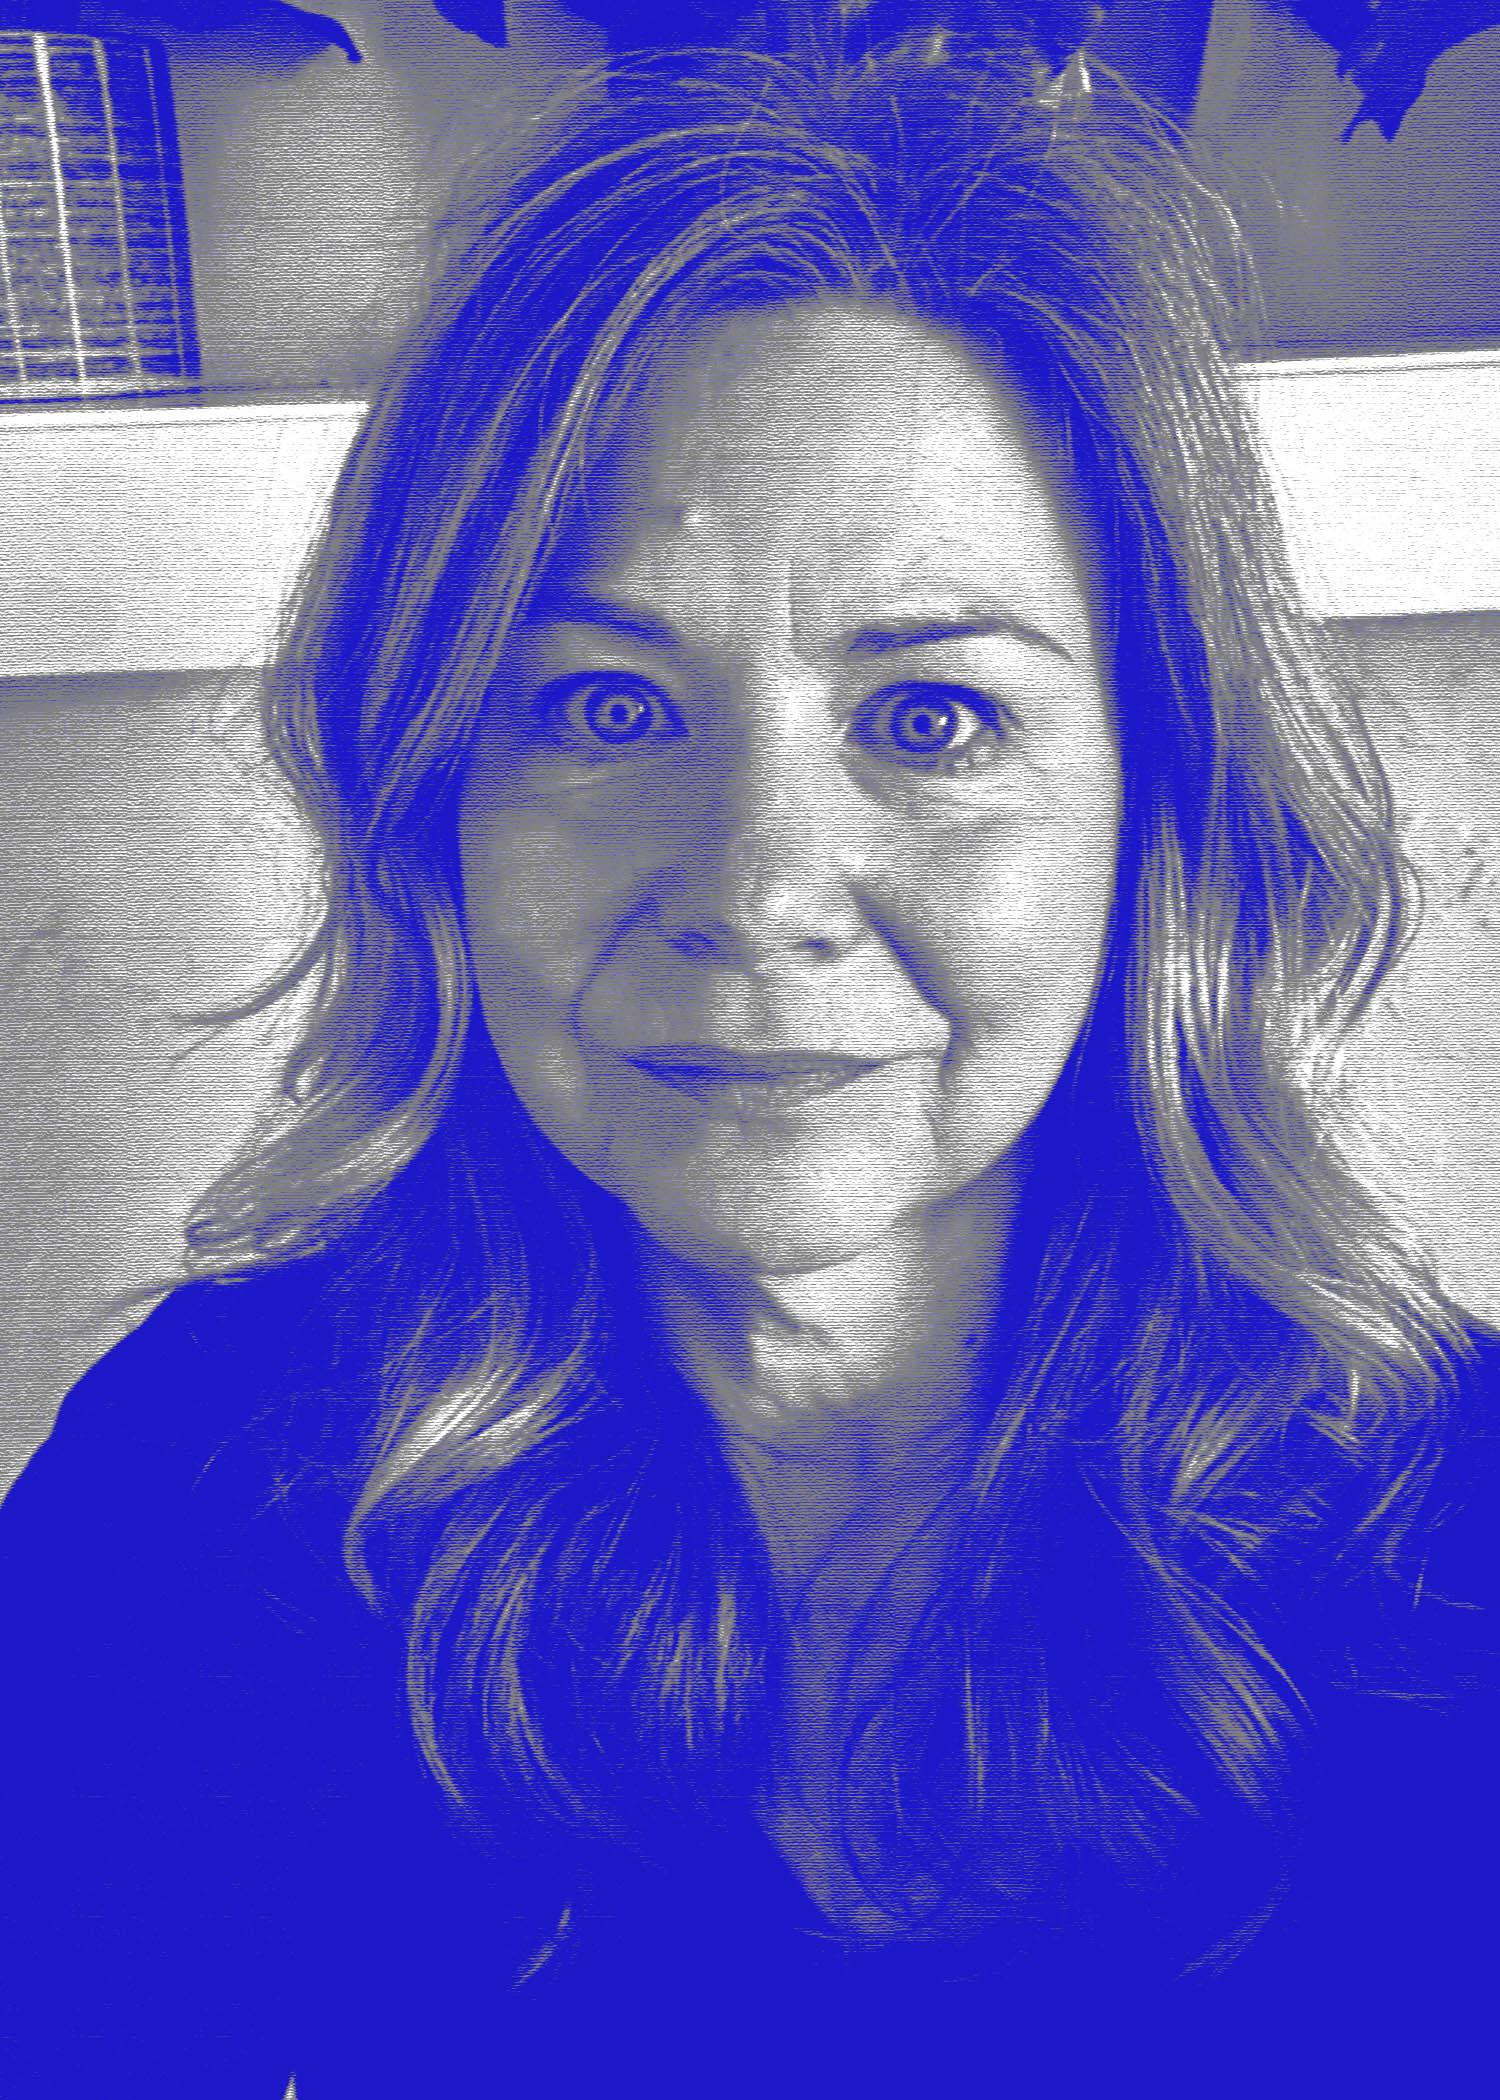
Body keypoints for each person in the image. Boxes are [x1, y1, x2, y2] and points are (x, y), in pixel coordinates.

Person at [2, 24, 1495, 2098]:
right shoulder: (207, 1489)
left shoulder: (1453, 1544)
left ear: (1163, 810)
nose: (757, 886)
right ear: (433, 802)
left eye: (934, 720)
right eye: (607, 709)